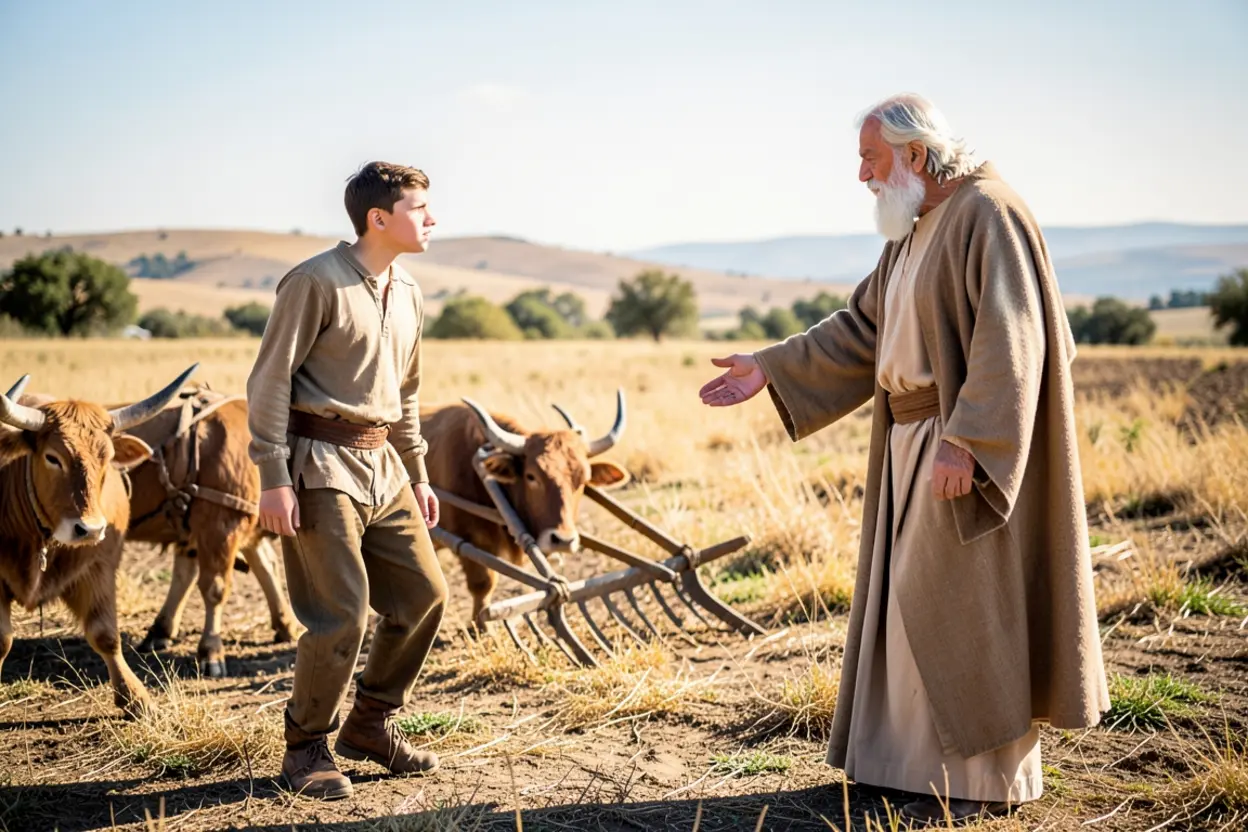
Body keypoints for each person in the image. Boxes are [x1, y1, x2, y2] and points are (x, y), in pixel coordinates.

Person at [698, 94, 1109, 824]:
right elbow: (863, 327)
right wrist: (770, 367)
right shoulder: (916, 227)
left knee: (961, 605)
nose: (861, 176)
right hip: (907, 447)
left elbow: (1012, 341)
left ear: (915, 155)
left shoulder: (990, 212)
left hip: (956, 450)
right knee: (905, 603)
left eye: (870, 159)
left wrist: (970, 443)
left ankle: (980, 779)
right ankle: (908, 767)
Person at [246, 161, 449, 800]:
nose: (433, 219)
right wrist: (273, 475)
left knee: (424, 596)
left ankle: (369, 725)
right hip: (315, 464)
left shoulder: (410, 291)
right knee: (339, 615)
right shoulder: (314, 282)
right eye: (421, 208)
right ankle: (306, 747)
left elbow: (407, 394)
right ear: (378, 218)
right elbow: (270, 381)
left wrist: (417, 474)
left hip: (385, 467)